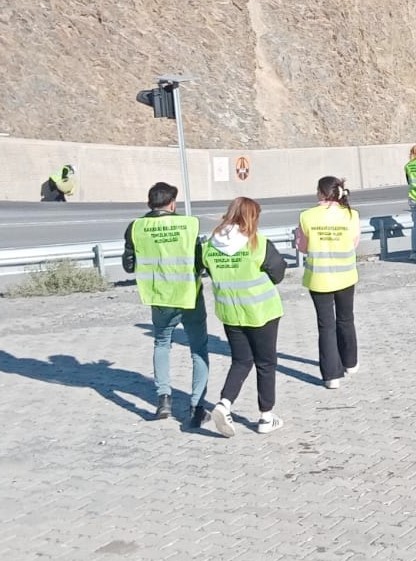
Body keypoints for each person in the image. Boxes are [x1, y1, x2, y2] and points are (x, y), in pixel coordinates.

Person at [121, 182, 209, 424]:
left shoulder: (136, 227)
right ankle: (196, 407)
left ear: (150, 203)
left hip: (159, 297)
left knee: (162, 343)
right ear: (172, 204)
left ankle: (163, 400)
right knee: (198, 349)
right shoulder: (188, 225)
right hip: (189, 295)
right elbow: (201, 262)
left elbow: (128, 265)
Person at [201, 197, 286, 437]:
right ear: (252, 217)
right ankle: (266, 417)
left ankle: (224, 403)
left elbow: (204, 267)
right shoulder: (257, 243)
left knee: (240, 361)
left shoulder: (210, 246)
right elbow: (278, 273)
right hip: (262, 312)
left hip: (231, 312)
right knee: (266, 363)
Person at [296, 176, 361, 389]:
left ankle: (332, 375)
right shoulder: (351, 215)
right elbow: (353, 243)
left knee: (326, 326)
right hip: (345, 276)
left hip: (319, 278)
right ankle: (350, 363)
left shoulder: (307, 216)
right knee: (345, 319)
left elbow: (302, 247)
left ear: (321, 193)